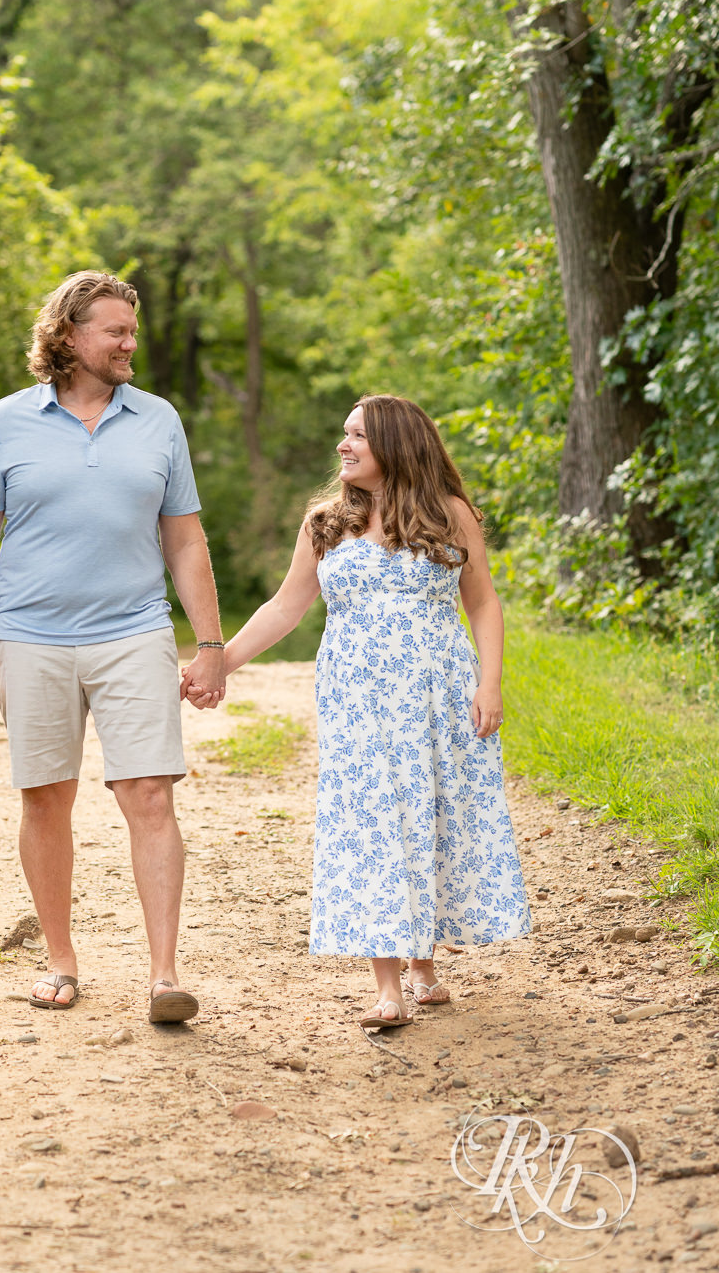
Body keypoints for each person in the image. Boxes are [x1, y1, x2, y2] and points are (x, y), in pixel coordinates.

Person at [185, 394, 530, 1028]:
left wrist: (491, 683)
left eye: (358, 437)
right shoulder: (325, 524)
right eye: (343, 434)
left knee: (429, 812)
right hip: (357, 699)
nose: (343, 445)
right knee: (371, 823)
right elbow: (284, 609)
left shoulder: (448, 514)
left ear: (396, 447)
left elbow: (481, 602)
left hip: (438, 693)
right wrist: (218, 664)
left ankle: (422, 958)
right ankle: (388, 987)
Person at [0, 270, 225, 1025]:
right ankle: (62, 962)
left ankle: (164, 974)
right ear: (68, 336)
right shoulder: (6, 423)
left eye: (132, 332)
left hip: (135, 632)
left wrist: (210, 644)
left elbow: (185, 539)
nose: (130, 343)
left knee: (150, 793)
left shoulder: (159, 420)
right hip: (30, 637)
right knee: (46, 799)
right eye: (116, 331)